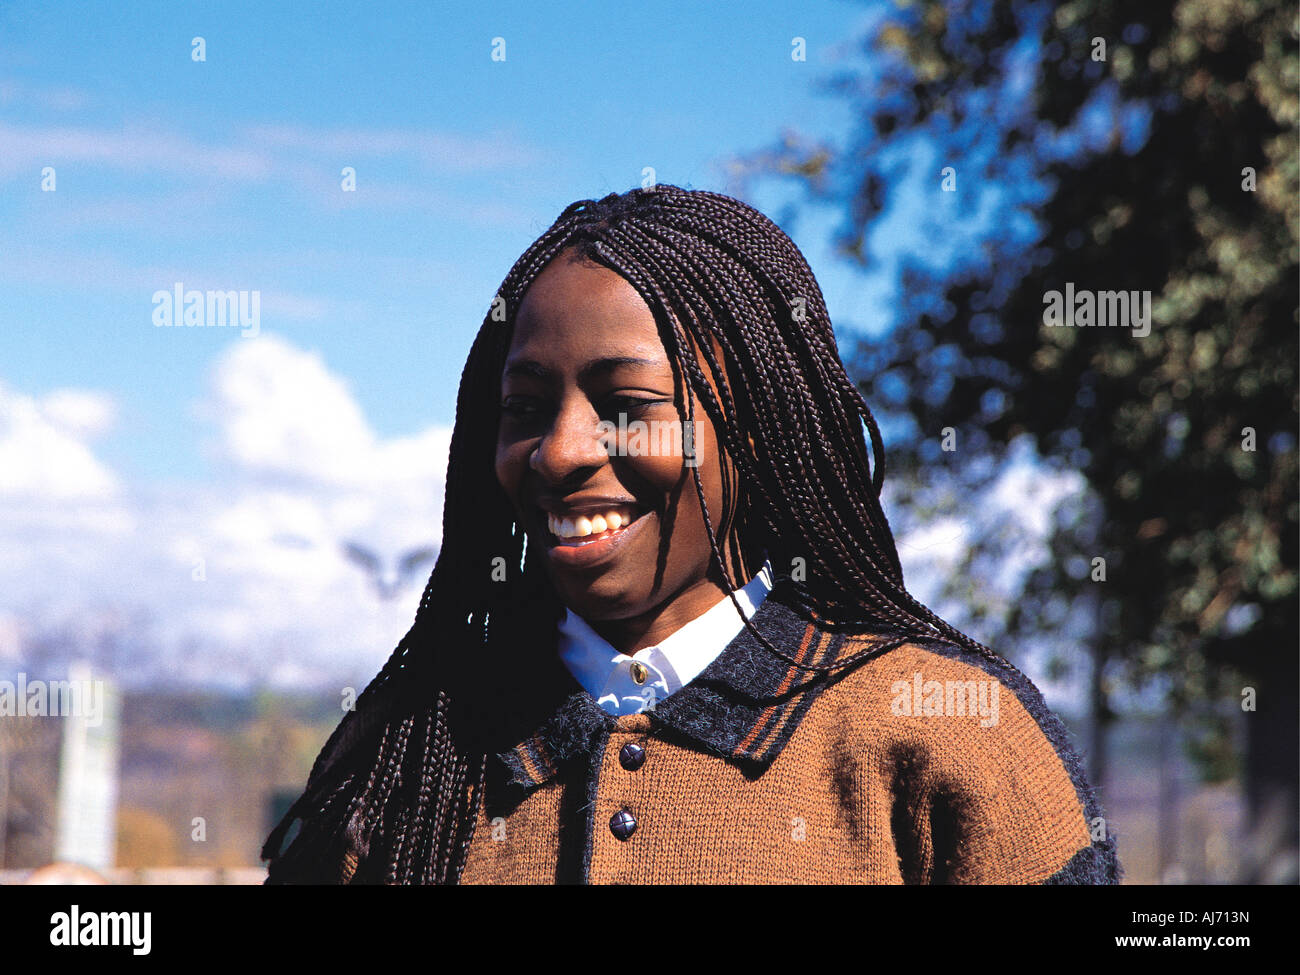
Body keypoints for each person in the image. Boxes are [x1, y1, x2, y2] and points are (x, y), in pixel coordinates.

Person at [262, 184, 1120, 884]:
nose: (559, 451)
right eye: (525, 408)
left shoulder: (948, 739)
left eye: (627, 407)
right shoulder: (412, 756)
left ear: (753, 429)